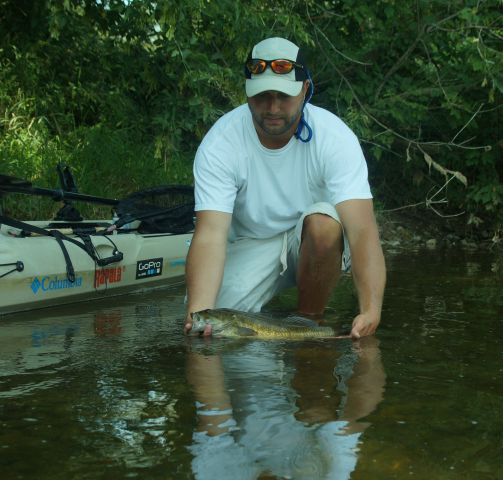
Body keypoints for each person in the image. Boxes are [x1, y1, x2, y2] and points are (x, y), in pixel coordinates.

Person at [184, 36, 386, 339]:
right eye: (263, 96)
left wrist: (371, 310)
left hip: (315, 239)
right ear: (248, 93)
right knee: (215, 324)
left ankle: (308, 325)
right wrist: (199, 311)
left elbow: (362, 232)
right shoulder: (221, 142)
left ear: (305, 90)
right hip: (250, 243)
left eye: (283, 95)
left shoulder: (334, 137)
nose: (273, 107)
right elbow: (210, 235)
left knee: (324, 224)